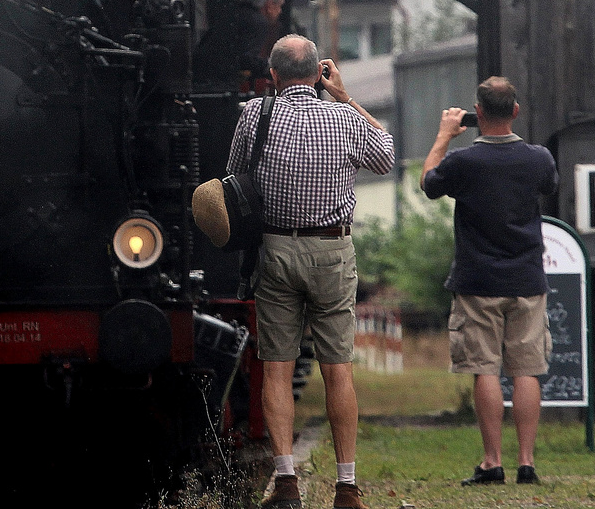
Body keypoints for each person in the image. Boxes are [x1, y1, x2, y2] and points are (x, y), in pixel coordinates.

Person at [226, 34, 393, 509]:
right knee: (338, 369)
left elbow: (234, 180)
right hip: (333, 251)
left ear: (273, 76)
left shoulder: (253, 116)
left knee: (276, 367)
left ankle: (285, 483)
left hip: (276, 250)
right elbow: (385, 155)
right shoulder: (343, 118)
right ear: (318, 72)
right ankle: (346, 487)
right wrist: (345, 96)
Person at [420, 77, 558, 486]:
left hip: (478, 279)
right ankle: (527, 463)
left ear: (477, 114)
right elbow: (547, 187)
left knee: (485, 368)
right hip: (527, 278)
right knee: (527, 369)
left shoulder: (465, 163)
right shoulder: (539, 159)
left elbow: (428, 184)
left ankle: (492, 461)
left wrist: (444, 136)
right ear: (515, 111)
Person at [236, 0, 288, 86]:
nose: (280, 11)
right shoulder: (257, 21)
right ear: (269, 6)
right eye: (279, 5)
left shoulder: (239, 14)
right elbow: (246, 60)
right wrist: (275, 67)